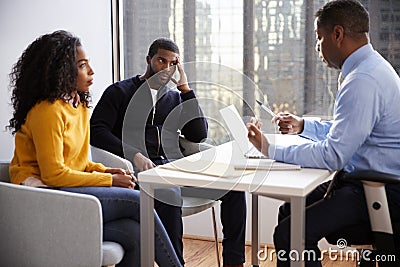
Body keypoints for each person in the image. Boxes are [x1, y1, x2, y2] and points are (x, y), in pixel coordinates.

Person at [7, 30, 182, 267]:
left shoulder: (77, 106)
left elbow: (78, 163)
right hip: (41, 197)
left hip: (64, 189)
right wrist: (109, 181)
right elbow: (53, 174)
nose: (91, 71)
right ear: (62, 71)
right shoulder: (48, 111)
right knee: (139, 201)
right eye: (82, 65)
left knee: (134, 233)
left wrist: (108, 171)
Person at [247, 0, 400, 266]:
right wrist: (304, 126)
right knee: (288, 213)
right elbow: (351, 130)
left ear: (337, 34)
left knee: (289, 233)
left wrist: (270, 149)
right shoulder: (372, 68)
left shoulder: (362, 81)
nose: (317, 47)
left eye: (319, 38)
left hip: (380, 192)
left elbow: (333, 155)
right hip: (369, 183)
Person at [90, 37, 247, 266]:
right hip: (137, 173)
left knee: (233, 187)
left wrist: (185, 89)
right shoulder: (119, 92)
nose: (165, 68)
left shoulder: (173, 98)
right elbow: (96, 131)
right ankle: (175, 263)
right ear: (148, 60)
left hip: (174, 169)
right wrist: (134, 155)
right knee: (170, 193)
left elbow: (197, 134)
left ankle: (235, 261)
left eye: (172, 63)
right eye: (161, 61)